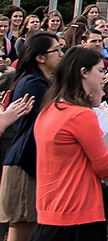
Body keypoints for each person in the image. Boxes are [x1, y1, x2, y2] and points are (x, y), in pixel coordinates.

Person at [31, 47, 108, 241]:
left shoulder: (49, 110)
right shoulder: (80, 115)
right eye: (99, 70)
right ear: (84, 73)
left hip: (50, 206)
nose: (103, 76)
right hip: (79, 209)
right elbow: (102, 161)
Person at [0, 31, 60, 241]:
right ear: (40, 57)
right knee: (22, 226)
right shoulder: (33, 84)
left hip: (29, 163)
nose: (60, 54)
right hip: (24, 164)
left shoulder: (39, 82)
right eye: (56, 50)